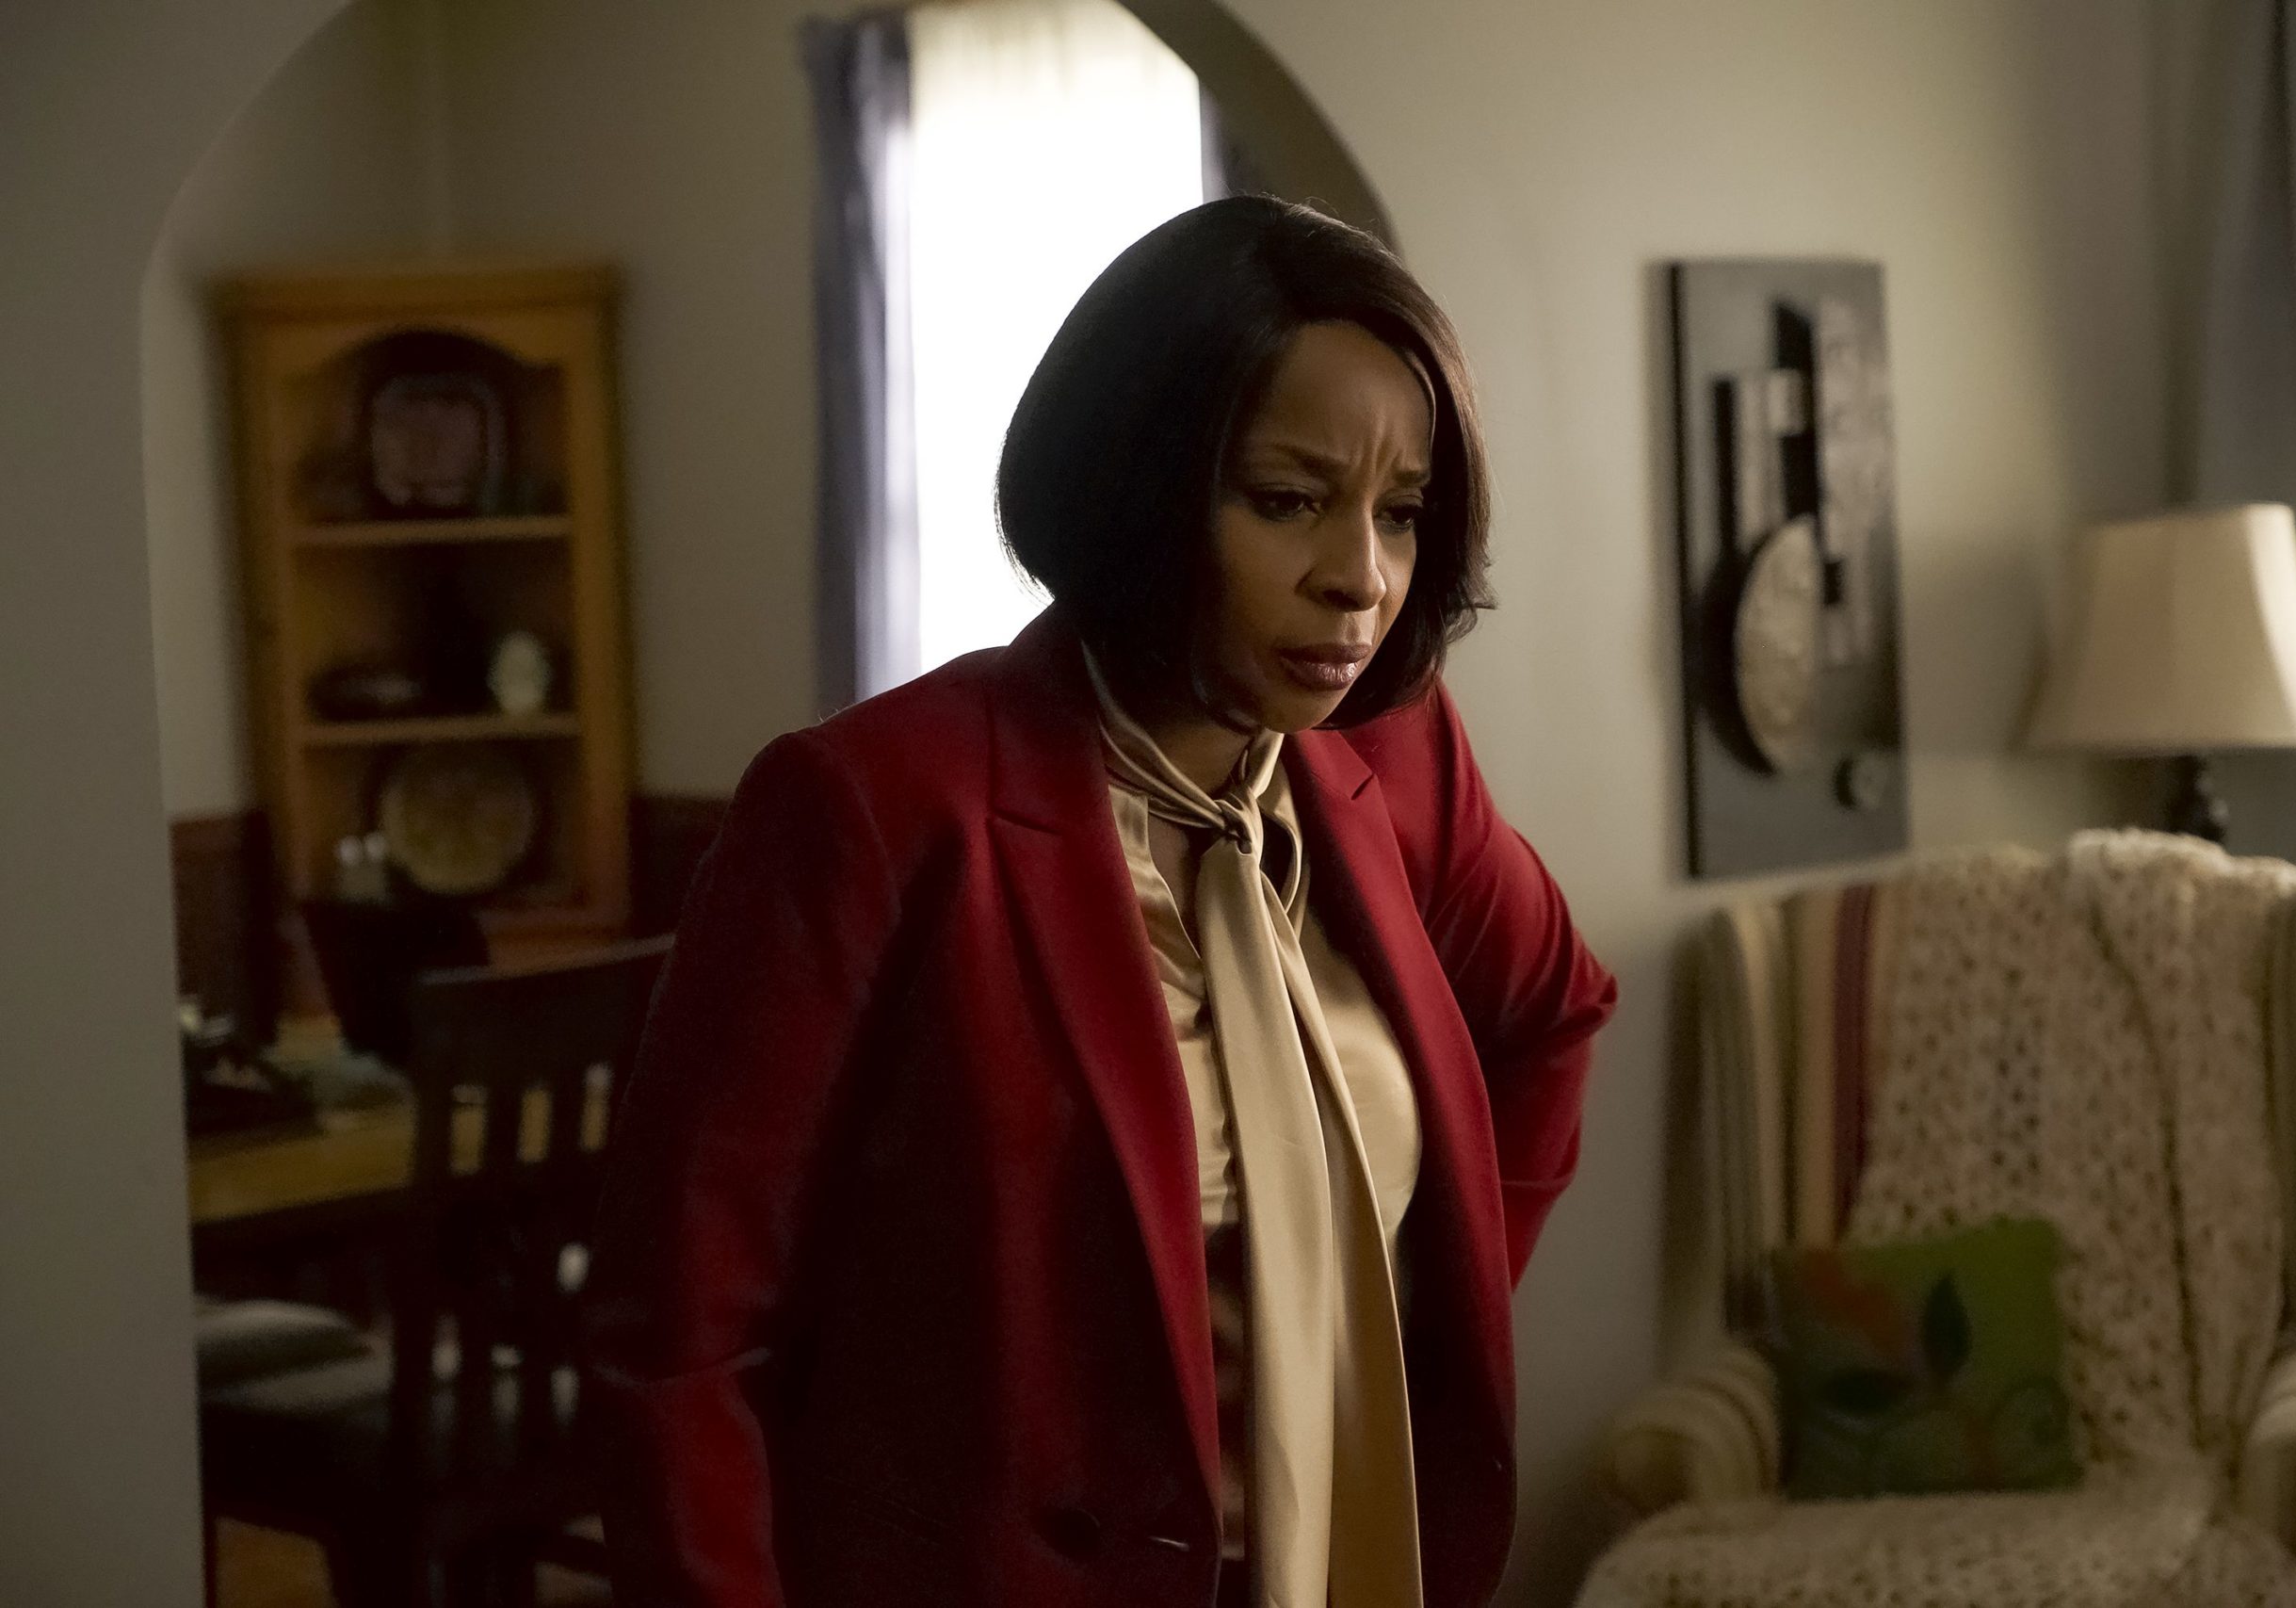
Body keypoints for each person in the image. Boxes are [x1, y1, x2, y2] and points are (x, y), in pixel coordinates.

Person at [585, 195, 1617, 1608]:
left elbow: (1555, 1012)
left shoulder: (1399, 757)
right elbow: (681, 1344)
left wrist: (1423, 1307)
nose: (1359, 580)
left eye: (1400, 513)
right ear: (1140, 484)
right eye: (1286, 500)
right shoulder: (873, 808)